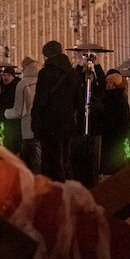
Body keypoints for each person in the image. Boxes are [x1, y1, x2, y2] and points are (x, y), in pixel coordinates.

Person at [31, 41, 83, 182]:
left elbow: (40, 100)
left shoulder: (46, 73)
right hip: (68, 124)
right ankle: (69, 192)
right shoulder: (73, 74)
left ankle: (58, 195)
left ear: (46, 55)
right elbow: (79, 102)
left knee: (52, 163)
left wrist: (35, 121)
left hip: (49, 125)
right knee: (65, 162)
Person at [5, 58, 40, 173]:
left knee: (30, 166)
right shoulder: (42, 80)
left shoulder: (23, 84)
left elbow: (19, 111)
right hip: (42, 129)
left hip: (28, 130)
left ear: (27, 67)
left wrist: (5, 113)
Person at [99, 70, 130, 175]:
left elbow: (110, 118)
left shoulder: (112, 98)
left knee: (112, 165)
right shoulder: (121, 97)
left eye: (109, 82)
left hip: (112, 136)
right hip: (119, 137)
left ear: (114, 84)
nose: (107, 85)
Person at [0, 65, 21, 152]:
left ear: (13, 77)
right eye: (4, 75)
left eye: (8, 75)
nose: (6, 77)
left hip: (13, 120)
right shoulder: (1, 87)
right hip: (4, 118)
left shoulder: (16, 88)